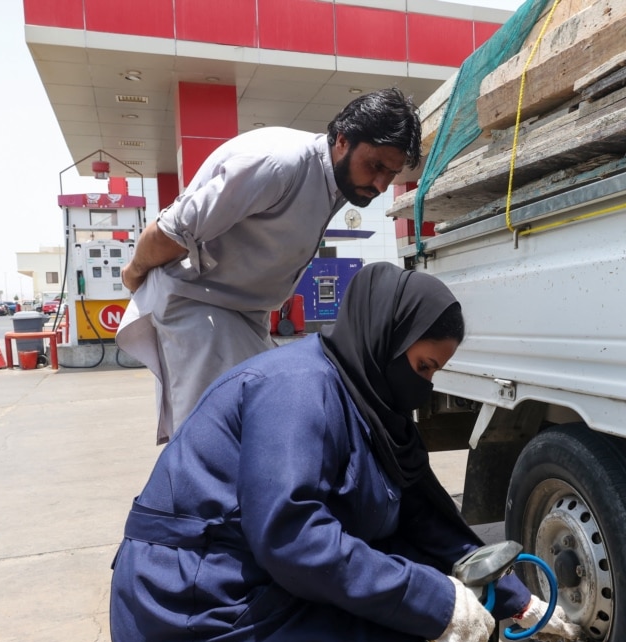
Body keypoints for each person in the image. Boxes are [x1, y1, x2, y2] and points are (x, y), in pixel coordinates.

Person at [109, 262, 581, 642]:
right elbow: (292, 536)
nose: (424, 388)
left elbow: (424, 522)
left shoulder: (373, 411)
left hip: (266, 584)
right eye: (421, 368)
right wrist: (437, 601)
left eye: (434, 373)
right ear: (385, 338)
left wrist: (517, 600)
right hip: (195, 606)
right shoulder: (297, 390)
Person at [116, 88, 423, 444]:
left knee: (266, 427)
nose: (382, 184)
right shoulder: (278, 165)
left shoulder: (339, 182)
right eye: (376, 166)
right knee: (212, 442)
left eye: (393, 173)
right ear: (342, 140)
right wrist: (133, 273)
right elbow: (170, 231)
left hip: (246, 315)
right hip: (199, 307)